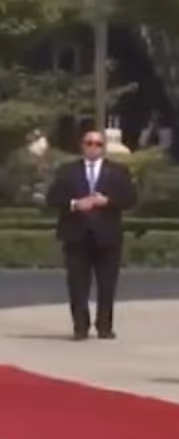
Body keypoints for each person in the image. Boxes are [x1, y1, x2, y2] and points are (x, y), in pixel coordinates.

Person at [44, 129, 138, 340]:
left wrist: (108, 201)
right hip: (76, 235)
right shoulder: (68, 171)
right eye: (89, 143)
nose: (93, 147)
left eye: (98, 144)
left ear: (104, 147)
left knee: (107, 284)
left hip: (107, 236)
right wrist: (75, 204)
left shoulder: (118, 171)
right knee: (77, 284)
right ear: (82, 145)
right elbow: (52, 198)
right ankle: (80, 326)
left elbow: (130, 198)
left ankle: (104, 326)